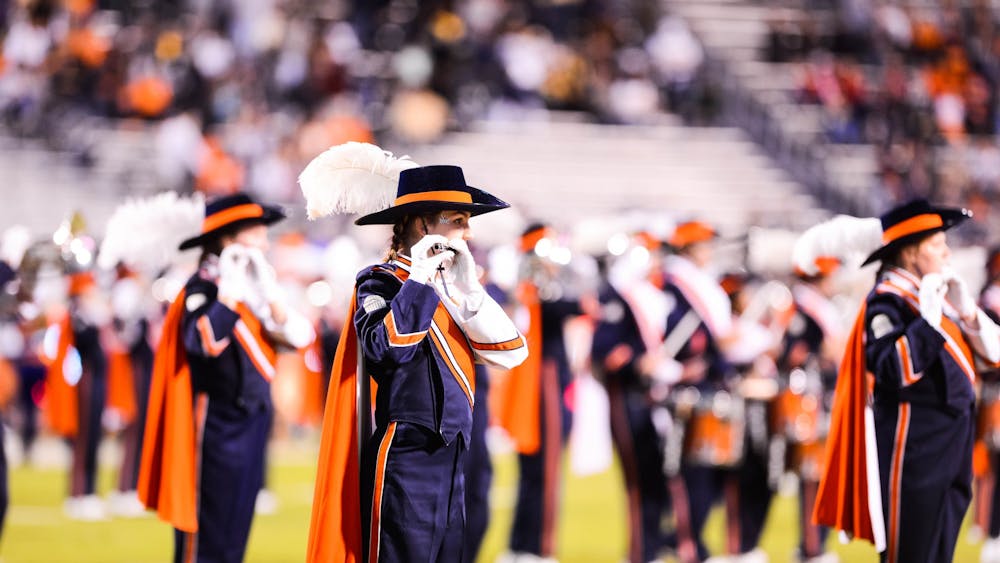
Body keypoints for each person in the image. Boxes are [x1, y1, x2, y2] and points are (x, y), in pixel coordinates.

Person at [303, 145, 527, 562]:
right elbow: (388, 347)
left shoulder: (455, 286)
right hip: (405, 456)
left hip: (455, 454)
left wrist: (469, 289)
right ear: (424, 225)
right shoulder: (379, 283)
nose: (469, 232)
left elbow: (511, 352)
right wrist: (421, 277)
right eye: (458, 221)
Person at [810, 199, 1000, 562]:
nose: (946, 250)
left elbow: (993, 357)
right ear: (911, 252)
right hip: (912, 448)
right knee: (910, 553)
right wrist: (927, 320)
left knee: (939, 550)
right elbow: (894, 371)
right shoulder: (887, 302)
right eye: (936, 243)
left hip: (949, 442)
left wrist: (969, 313)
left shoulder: (935, 298)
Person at [138, 192, 314, 563]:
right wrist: (230, 294)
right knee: (205, 537)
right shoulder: (203, 288)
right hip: (215, 423)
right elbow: (204, 341)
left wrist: (269, 296)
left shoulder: (255, 286)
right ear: (229, 238)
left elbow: (299, 338)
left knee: (235, 535)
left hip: (253, 419)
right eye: (257, 230)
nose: (266, 239)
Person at [496, 223, 586, 561]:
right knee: (545, 470)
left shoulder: (529, 287)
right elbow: (572, 306)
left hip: (536, 379)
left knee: (533, 472)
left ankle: (520, 545)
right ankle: (537, 548)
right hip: (543, 379)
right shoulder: (533, 285)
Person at [591, 232, 673, 563]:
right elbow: (604, 351)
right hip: (627, 395)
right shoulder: (617, 296)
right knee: (639, 478)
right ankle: (640, 552)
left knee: (655, 475)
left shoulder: (648, 295)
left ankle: (652, 547)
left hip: (650, 394)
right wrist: (637, 359)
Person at [774, 256, 844, 563]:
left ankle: (816, 545)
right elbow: (792, 354)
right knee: (811, 475)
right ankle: (811, 548)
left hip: (825, 399)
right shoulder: (802, 308)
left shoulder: (817, 308)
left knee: (824, 475)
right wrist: (825, 353)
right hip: (809, 403)